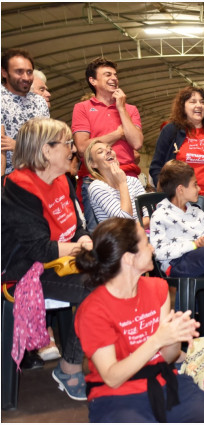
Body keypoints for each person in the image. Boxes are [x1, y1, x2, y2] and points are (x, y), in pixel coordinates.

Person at [73, 218, 204, 422]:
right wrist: (157, 340)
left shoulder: (157, 288)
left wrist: (174, 337)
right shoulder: (94, 309)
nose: (152, 248)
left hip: (163, 381)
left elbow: (168, 356)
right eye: (146, 242)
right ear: (128, 258)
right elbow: (112, 377)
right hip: (116, 395)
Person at [1, 117, 92, 400]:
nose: (72, 150)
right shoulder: (17, 187)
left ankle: (115, 358)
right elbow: (39, 250)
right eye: (66, 144)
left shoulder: (63, 178)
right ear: (45, 150)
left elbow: (77, 225)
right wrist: (82, 248)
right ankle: (70, 367)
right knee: (98, 287)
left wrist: (85, 237)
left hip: (59, 263)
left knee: (118, 272)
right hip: (26, 272)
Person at [72, 57, 143, 232]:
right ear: (93, 81)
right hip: (97, 179)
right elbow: (82, 148)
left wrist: (121, 108)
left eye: (115, 74)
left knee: (135, 229)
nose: (114, 78)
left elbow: (137, 142)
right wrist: (119, 134)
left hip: (129, 178)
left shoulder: (130, 109)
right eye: (107, 74)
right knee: (100, 234)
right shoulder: (83, 108)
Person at [149, 86, 204, 240]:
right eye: (192, 102)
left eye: (202, 102)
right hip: (180, 204)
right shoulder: (171, 131)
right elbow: (156, 166)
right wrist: (170, 195)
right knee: (186, 249)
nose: (199, 105)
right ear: (183, 106)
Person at [150, 160, 204, 281]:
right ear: (180, 189)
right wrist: (194, 245)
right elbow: (158, 252)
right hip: (176, 265)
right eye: (195, 184)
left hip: (202, 261)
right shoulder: (160, 215)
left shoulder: (199, 213)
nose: (199, 188)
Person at [1, 48, 49, 176]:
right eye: (19, 72)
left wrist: (18, 146)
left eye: (29, 72)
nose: (26, 77)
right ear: (4, 72)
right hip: (8, 180)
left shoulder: (39, 102)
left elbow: (47, 143)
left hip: (38, 175)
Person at [85, 140, 148, 227]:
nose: (108, 151)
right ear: (93, 164)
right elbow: (124, 221)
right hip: (117, 240)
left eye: (110, 148)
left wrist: (136, 227)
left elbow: (149, 213)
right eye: (100, 152)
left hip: (140, 236)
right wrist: (122, 183)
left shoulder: (133, 181)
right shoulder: (96, 187)